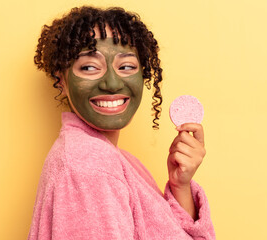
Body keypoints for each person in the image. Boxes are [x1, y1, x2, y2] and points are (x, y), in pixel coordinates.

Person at [28, 6, 215, 240]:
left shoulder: (117, 160)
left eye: (126, 67)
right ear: (61, 80)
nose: (112, 83)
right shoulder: (90, 167)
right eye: (89, 67)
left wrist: (180, 187)